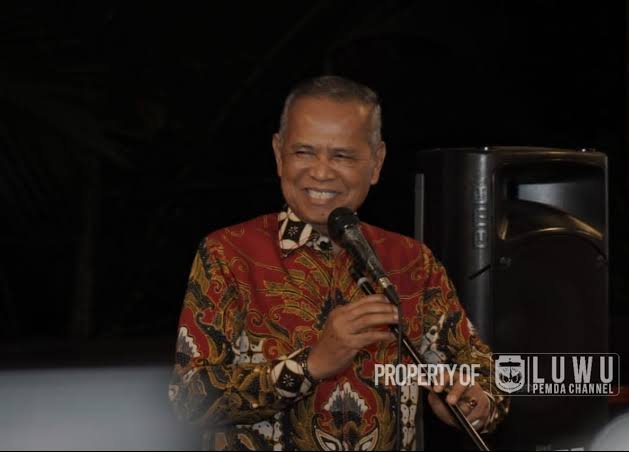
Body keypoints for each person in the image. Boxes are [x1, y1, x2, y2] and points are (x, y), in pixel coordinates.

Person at [169, 75, 509, 450]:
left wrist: (475, 402)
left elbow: (483, 372)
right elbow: (188, 400)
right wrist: (310, 365)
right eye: (303, 152)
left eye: (342, 156)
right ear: (279, 154)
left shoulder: (411, 261)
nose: (320, 171)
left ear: (376, 162)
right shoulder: (229, 253)